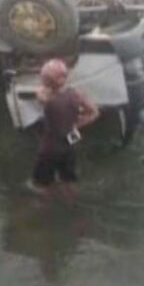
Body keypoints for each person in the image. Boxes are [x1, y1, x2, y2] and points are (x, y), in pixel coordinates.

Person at [29, 59, 99, 194]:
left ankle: (44, 209)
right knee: (68, 181)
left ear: (49, 81)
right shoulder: (76, 94)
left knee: (40, 185)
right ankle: (71, 205)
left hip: (49, 149)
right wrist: (76, 125)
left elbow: (41, 95)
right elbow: (94, 113)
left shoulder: (46, 100)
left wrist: (42, 91)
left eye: (45, 78)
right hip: (69, 144)